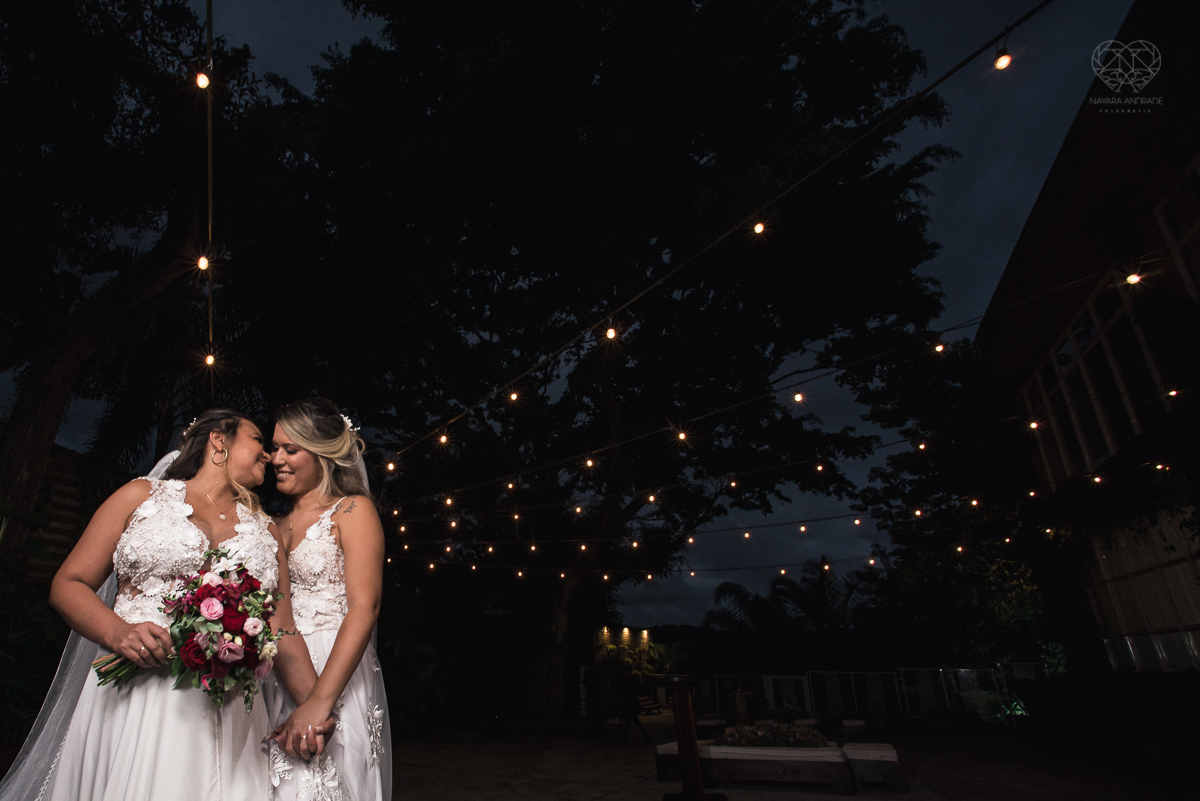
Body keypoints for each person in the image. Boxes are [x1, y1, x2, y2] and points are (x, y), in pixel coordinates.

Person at [0, 408, 326, 801]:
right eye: (259, 441)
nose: (270, 456)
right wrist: (118, 631)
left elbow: (282, 629)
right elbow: (68, 584)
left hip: (224, 708)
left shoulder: (265, 528)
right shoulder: (140, 496)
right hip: (135, 694)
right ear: (219, 440)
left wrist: (319, 709)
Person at [266, 398, 391, 801]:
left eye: (290, 449)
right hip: (275, 665)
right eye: (274, 448)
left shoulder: (352, 510)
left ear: (322, 454)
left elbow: (364, 607)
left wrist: (321, 700)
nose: (276, 459)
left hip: (334, 665)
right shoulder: (270, 523)